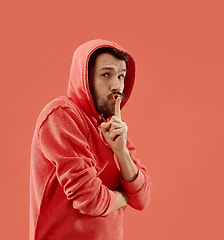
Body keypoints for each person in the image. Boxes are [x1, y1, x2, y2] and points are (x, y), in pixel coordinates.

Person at [29, 39, 151, 240]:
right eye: (106, 75)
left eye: (121, 76)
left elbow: (142, 198)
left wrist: (121, 152)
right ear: (84, 78)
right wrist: (121, 198)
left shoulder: (112, 127)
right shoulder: (61, 115)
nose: (116, 86)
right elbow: (89, 198)